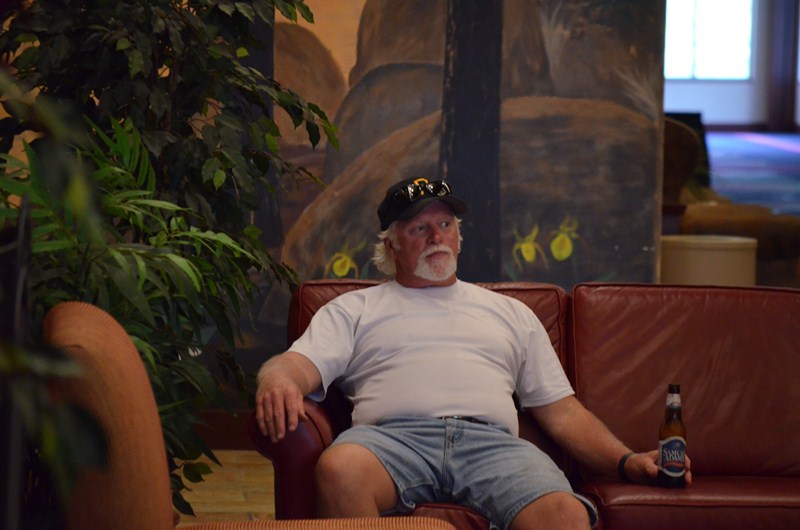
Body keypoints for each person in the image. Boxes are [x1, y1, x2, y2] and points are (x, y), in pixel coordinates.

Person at [255, 176, 692, 530]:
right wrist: (277, 380)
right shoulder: (354, 309)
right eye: (419, 228)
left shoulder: (511, 313)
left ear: (459, 237)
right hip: (391, 442)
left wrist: (626, 462)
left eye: (445, 225)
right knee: (340, 470)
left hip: (494, 448)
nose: (436, 237)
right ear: (391, 246)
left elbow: (562, 413)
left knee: (566, 514)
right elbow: (296, 365)